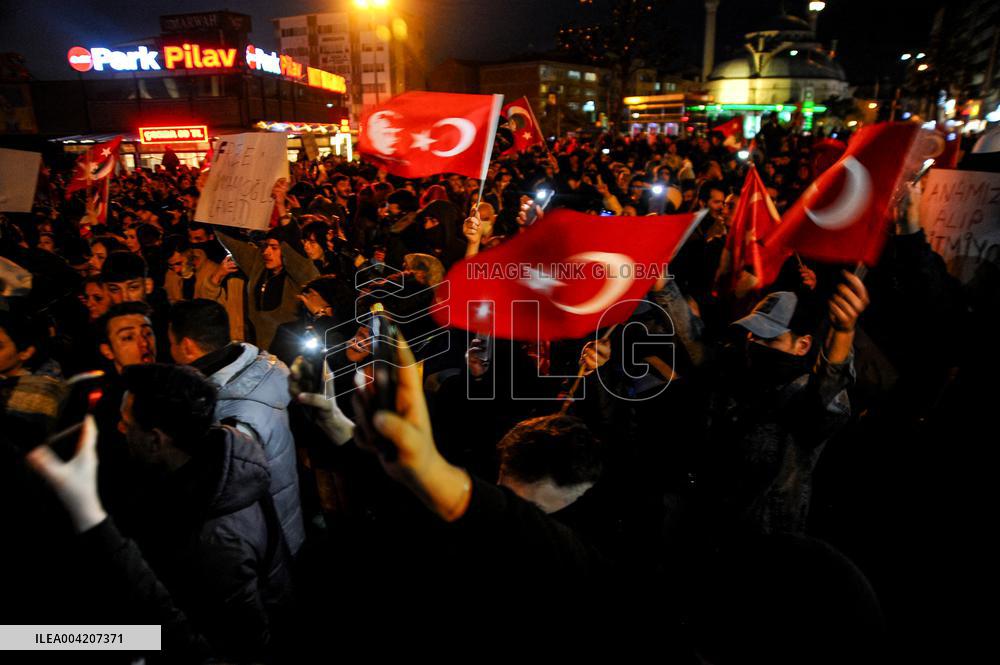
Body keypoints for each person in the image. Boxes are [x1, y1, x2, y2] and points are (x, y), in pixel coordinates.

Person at [113, 363, 293, 660]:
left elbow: (242, 646)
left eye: (126, 422)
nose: (119, 428)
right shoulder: (212, 461)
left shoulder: (217, 541)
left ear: (157, 440)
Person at [168, 298, 305, 557]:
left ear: (185, 345)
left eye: (170, 341)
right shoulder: (263, 367)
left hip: (265, 542)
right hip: (287, 516)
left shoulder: (232, 417)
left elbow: (227, 495)